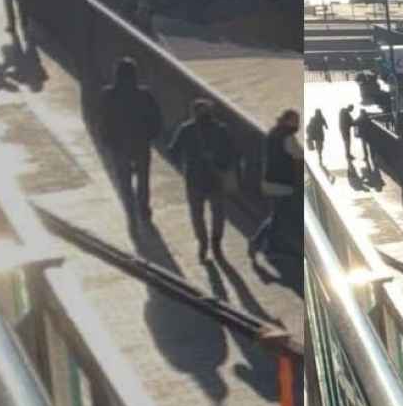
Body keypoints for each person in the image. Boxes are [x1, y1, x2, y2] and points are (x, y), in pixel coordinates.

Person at [169, 98, 235, 263]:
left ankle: (203, 243)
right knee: (218, 214)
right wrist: (223, 165)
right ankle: (216, 243)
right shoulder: (221, 129)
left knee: (197, 214)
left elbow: (172, 151)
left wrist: (183, 166)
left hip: (194, 179)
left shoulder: (186, 129)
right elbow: (232, 153)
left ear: (193, 113)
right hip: (216, 178)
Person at [99, 57, 163, 227]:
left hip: (119, 145)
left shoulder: (108, 94)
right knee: (143, 179)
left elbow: (103, 120)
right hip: (141, 143)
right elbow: (156, 119)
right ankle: (143, 209)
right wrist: (150, 135)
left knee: (124, 179)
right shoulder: (144, 94)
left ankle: (130, 209)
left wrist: (107, 140)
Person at [251, 109, 303, 258]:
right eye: (295, 120)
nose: (297, 124)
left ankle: (266, 245)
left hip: (269, 181)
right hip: (283, 185)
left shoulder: (273, 133)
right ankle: (261, 244)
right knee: (282, 216)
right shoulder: (288, 138)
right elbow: (299, 157)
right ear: (287, 121)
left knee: (278, 215)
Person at [338, 104, 356, 172]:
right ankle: (348, 154)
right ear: (350, 108)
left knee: (346, 142)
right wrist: (354, 123)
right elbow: (350, 121)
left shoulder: (343, 111)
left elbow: (349, 120)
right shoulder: (346, 113)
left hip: (343, 129)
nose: (351, 111)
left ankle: (348, 154)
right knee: (347, 142)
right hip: (345, 130)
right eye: (351, 110)